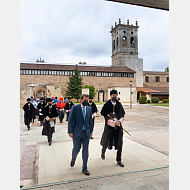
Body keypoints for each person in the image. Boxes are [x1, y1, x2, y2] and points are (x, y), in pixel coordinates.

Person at [68, 94, 93, 176]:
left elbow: (90, 121)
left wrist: (91, 131)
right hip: (77, 132)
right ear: (80, 100)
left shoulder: (89, 109)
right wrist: (70, 132)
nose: (86, 101)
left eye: (87, 100)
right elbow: (70, 120)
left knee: (85, 150)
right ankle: (73, 159)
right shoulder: (75, 108)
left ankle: (85, 168)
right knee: (76, 149)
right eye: (84, 100)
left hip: (86, 133)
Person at [100, 90, 125, 167]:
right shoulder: (107, 104)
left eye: (115, 95)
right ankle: (103, 152)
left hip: (118, 126)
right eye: (113, 95)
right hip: (109, 126)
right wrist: (112, 122)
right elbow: (104, 114)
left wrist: (119, 121)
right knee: (106, 140)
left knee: (120, 142)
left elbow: (122, 114)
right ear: (110, 96)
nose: (114, 96)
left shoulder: (119, 104)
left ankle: (119, 159)